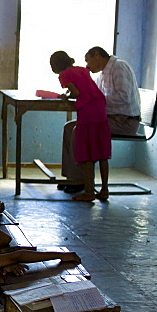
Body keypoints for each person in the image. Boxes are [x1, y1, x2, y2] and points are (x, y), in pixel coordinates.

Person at [60, 47, 140, 192]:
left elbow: (124, 97)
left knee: (79, 131)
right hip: (109, 118)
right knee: (69, 127)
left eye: (87, 60)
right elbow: (91, 91)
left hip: (125, 121)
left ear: (97, 55)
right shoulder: (103, 73)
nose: (86, 65)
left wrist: (95, 101)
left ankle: (81, 181)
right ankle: (72, 177)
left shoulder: (118, 67)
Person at [52, 50, 111, 202]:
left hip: (87, 114)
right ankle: (104, 190)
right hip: (100, 110)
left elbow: (76, 92)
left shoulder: (64, 75)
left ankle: (89, 192)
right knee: (102, 155)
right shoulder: (81, 69)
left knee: (87, 155)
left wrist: (66, 95)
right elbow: (84, 86)